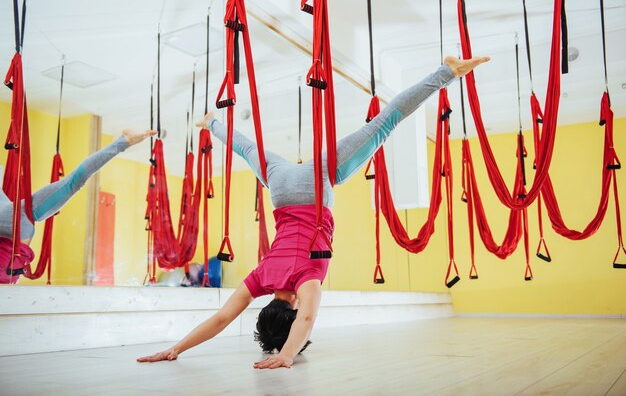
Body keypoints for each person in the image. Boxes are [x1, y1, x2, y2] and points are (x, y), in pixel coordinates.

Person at [137, 56, 490, 369]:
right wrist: (175, 349)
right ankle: (212, 122)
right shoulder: (260, 277)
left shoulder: (309, 281)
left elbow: (306, 317)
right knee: (246, 148)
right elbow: (221, 318)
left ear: (288, 313)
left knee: (382, 126)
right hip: (281, 189)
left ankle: (447, 73)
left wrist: (287, 354)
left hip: (316, 185)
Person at [0, 129, 156, 284]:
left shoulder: (17, 218)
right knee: (73, 183)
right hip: (12, 235)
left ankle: (123, 141)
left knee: (73, 183)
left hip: (12, 223)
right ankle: (123, 141)